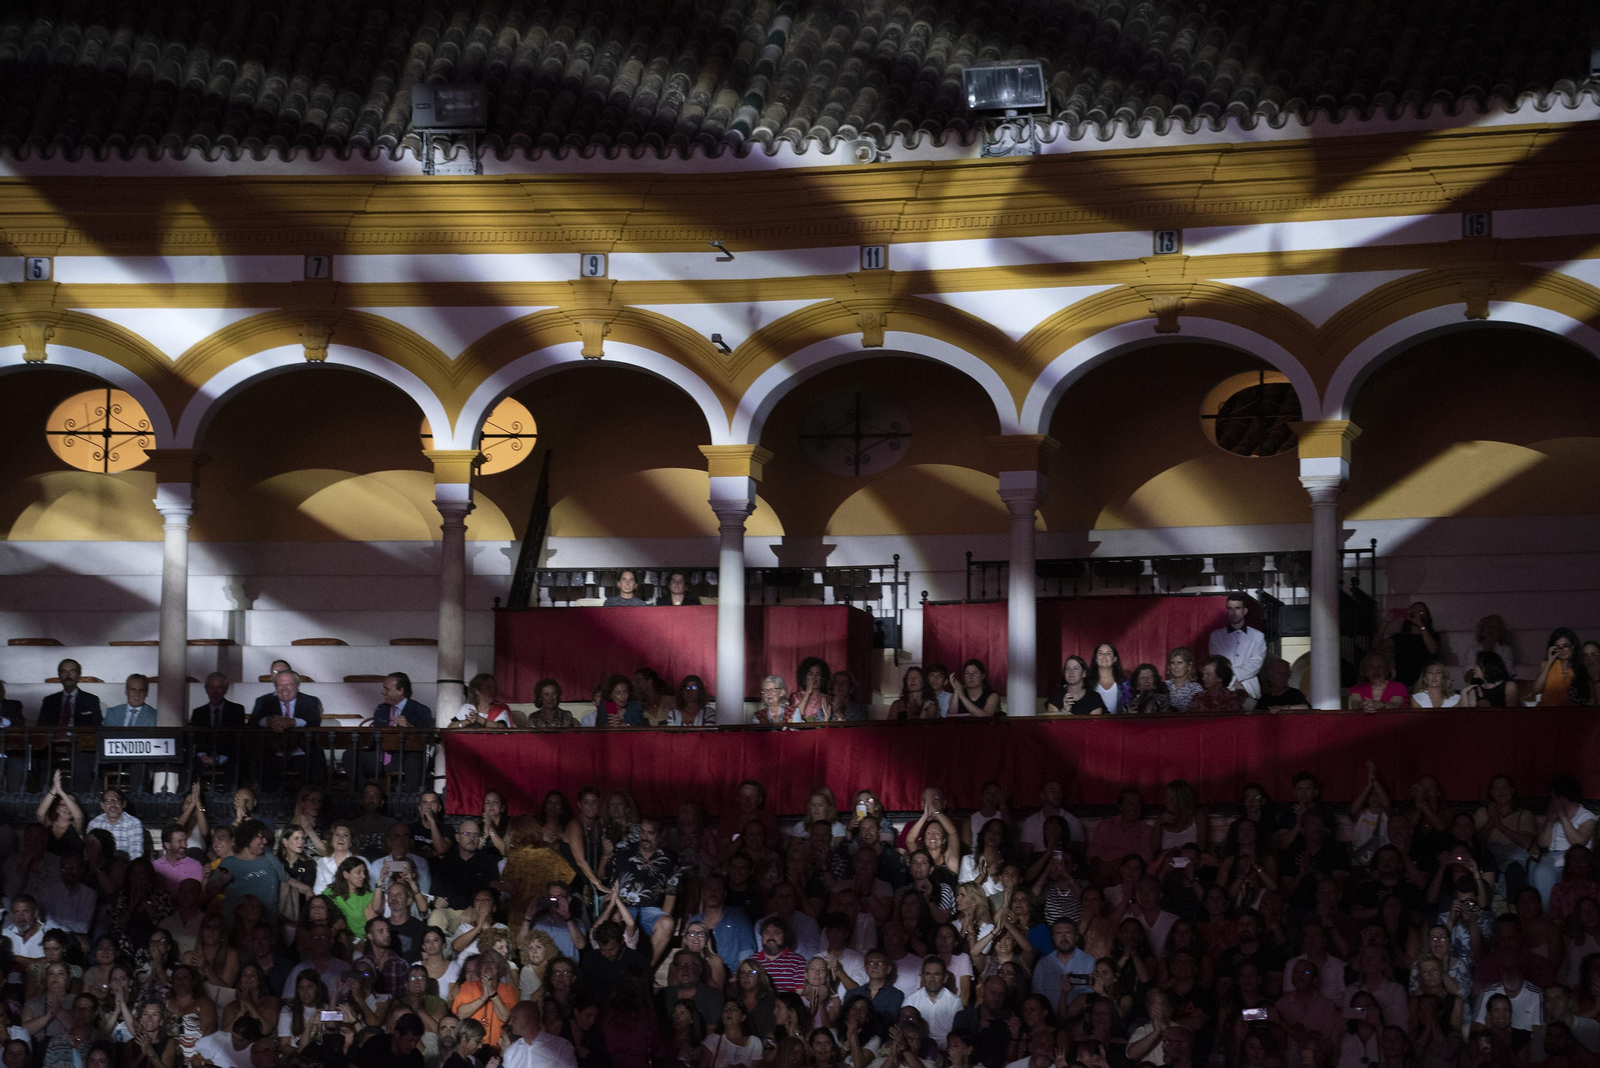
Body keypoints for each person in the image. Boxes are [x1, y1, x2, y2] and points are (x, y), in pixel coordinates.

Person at [1530, 775, 1596, 906]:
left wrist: (1564, 817)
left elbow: (1579, 843)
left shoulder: (1587, 817)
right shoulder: (1553, 815)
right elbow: (1543, 844)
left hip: (1575, 857)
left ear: (1563, 798)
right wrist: (1550, 822)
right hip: (1552, 857)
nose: (1552, 801)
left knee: (1544, 872)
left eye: (1554, 797)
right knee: (1538, 870)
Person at [249, 669, 325, 780]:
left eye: (289, 684)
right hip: (272, 752)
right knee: (259, 764)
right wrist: (269, 721)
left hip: (303, 751)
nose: (284, 688)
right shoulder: (265, 701)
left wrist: (292, 722)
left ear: (297, 686)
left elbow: (314, 721)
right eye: (280, 685)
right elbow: (253, 722)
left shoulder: (309, 701)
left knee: (315, 762)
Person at [360, 672, 432, 788]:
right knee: (350, 755)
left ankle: (410, 797)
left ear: (400, 691)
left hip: (403, 757)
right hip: (380, 756)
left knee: (415, 761)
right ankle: (365, 794)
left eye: (387, 689)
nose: (383, 692)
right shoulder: (381, 709)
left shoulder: (421, 710)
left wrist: (409, 727)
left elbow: (425, 737)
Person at [190, 673, 247, 784]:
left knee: (237, 764)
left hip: (229, 756)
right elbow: (196, 738)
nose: (215, 692)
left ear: (225, 689)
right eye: (211, 688)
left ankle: (230, 795)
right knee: (190, 765)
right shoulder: (198, 713)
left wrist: (220, 758)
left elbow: (237, 739)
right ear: (206, 690)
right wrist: (203, 756)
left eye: (219, 688)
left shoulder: (236, 710)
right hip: (204, 755)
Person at [1209, 593, 1267, 701]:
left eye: (1237, 608)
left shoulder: (1257, 636)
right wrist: (1234, 683)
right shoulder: (1216, 636)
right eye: (1230, 608)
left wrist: (1232, 676)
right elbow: (1218, 664)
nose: (1233, 612)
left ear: (1245, 611)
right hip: (1224, 690)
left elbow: (1256, 663)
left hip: (1250, 689)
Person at [903, 956, 961, 1049]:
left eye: (937, 974)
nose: (932, 979)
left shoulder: (955, 1003)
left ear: (945, 978)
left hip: (945, 1050)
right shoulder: (911, 1000)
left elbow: (958, 1035)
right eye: (928, 974)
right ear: (922, 977)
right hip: (917, 1048)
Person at [1533, 629, 1592, 707]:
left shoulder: (1580, 668)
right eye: (1558, 647)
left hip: (1572, 711)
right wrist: (1549, 662)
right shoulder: (1547, 665)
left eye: (1565, 646)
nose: (1562, 650)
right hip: (1547, 710)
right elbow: (1536, 690)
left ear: (1573, 646)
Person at [87, 786, 147, 858]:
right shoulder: (94, 824)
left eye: (116, 800)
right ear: (102, 805)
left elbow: (136, 853)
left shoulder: (134, 823)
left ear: (124, 804)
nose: (112, 804)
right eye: (108, 801)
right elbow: (90, 851)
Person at [1466, 615, 1518, 686]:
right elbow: (1468, 678)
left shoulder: (1506, 650)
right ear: (1482, 632)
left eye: (1496, 627)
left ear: (1500, 634)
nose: (1491, 629)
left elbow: (1506, 674)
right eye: (1488, 626)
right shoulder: (1472, 651)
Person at [1166, 647, 1203, 712]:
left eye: (1179, 663)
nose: (1175, 667)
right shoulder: (1165, 686)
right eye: (1172, 663)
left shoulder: (1195, 688)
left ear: (1189, 666)